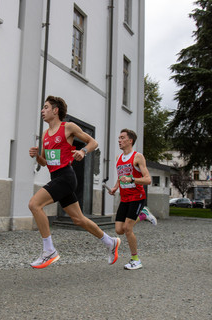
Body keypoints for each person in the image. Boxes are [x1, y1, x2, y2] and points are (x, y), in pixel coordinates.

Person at [28, 95, 120, 269]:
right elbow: (46, 163)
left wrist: (83, 152)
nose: (43, 110)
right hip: (56, 177)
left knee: (34, 204)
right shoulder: (45, 135)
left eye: (46, 107)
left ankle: (49, 251)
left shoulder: (68, 127)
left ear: (55, 111)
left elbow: (93, 142)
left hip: (66, 177)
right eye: (43, 107)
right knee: (79, 219)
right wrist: (37, 156)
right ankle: (111, 242)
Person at [109, 128, 154, 270]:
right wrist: (116, 187)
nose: (119, 140)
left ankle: (136, 259)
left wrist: (132, 179)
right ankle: (144, 215)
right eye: (119, 138)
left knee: (128, 229)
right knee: (118, 230)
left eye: (122, 138)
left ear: (130, 141)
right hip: (125, 198)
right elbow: (120, 176)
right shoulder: (118, 158)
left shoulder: (137, 157)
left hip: (137, 196)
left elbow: (148, 179)